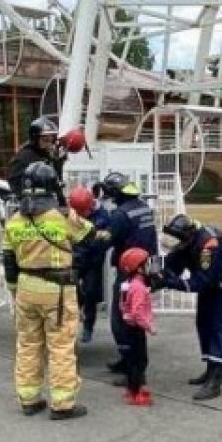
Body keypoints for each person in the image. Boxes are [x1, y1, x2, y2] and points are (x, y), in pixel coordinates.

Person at [2, 162, 95, 420]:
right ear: (53, 186)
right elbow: (90, 235)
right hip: (57, 291)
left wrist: (14, 291)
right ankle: (62, 404)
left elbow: (9, 264)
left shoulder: (13, 222)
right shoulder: (63, 217)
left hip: (24, 289)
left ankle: (29, 399)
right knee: (61, 346)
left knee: (28, 344)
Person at [154, 214, 222, 401]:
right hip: (210, 277)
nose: (176, 247)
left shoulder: (209, 246)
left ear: (186, 238)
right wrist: (154, 276)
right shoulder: (183, 239)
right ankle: (210, 368)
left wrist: (171, 283)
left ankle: (216, 380)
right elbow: (172, 264)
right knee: (203, 322)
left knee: (219, 325)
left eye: (178, 244)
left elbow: (199, 282)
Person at [96, 171, 158, 375]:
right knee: (135, 318)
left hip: (129, 273)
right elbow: (153, 240)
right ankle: (129, 362)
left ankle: (133, 368)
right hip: (145, 270)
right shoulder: (144, 209)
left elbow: (105, 242)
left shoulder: (121, 215)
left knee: (122, 320)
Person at [68, 185, 110, 344]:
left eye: (81, 211)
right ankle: (71, 326)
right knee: (72, 293)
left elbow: (107, 235)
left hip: (93, 260)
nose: (79, 215)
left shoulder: (102, 215)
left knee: (91, 293)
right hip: (76, 259)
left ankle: (88, 326)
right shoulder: (71, 213)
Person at [116, 247, 155, 406]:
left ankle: (132, 389)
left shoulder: (128, 284)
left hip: (128, 327)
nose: (149, 267)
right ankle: (135, 392)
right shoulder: (138, 287)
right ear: (138, 268)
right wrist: (149, 327)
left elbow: (122, 306)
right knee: (140, 362)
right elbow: (137, 312)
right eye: (146, 264)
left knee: (133, 360)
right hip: (136, 328)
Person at [7, 116, 66, 205]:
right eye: (45, 140)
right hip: (33, 208)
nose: (49, 144)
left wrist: (58, 163)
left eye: (52, 140)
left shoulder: (48, 158)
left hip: (50, 206)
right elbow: (16, 186)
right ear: (35, 139)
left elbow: (56, 184)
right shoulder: (24, 158)